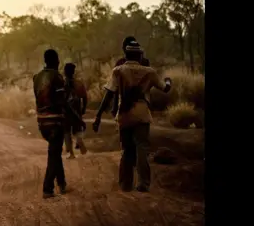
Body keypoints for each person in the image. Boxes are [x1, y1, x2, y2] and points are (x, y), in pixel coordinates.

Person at [92, 37, 172, 192]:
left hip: (124, 114)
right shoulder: (149, 72)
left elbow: (109, 94)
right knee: (141, 147)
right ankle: (143, 183)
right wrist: (169, 81)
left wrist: (98, 116)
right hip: (142, 114)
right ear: (140, 55)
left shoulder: (118, 70)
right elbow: (165, 89)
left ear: (126, 55)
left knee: (127, 149)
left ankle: (125, 184)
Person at [33, 49, 86, 199]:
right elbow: (64, 102)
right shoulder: (57, 77)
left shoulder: (36, 78)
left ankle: (62, 184)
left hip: (41, 121)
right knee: (54, 153)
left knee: (55, 152)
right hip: (55, 121)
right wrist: (78, 118)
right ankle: (47, 188)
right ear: (55, 60)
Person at [110, 41, 151, 117]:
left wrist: (114, 106)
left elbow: (115, 88)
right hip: (141, 102)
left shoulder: (119, 65)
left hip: (125, 104)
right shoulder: (145, 63)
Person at [63, 63, 88, 159]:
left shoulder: (62, 84)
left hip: (66, 112)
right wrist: (83, 108)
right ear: (73, 72)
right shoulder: (79, 83)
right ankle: (81, 145)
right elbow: (85, 97)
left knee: (66, 132)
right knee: (77, 130)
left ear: (65, 72)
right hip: (77, 110)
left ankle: (71, 153)